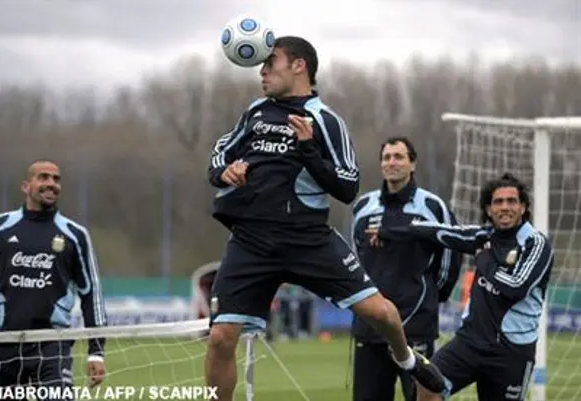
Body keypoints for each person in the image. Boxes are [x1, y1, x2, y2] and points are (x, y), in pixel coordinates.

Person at [205, 36, 447, 401]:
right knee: (221, 337)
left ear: (299, 65)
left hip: (307, 238)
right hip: (252, 241)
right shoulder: (255, 111)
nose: (263, 71)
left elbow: (348, 187)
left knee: (381, 314)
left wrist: (308, 149)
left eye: (271, 62)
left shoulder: (325, 119)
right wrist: (225, 171)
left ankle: (406, 356)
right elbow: (219, 152)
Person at [368, 172, 554, 401]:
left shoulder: (535, 243)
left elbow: (516, 287)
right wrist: (387, 232)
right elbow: (434, 231)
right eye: (498, 202)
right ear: (488, 209)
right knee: (427, 384)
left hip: (511, 352)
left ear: (524, 207)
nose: (505, 207)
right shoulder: (483, 237)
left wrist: (484, 262)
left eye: (512, 201)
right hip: (469, 343)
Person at [0, 160, 108, 400]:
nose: (51, 183)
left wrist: (96, 352)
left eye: (56, 179)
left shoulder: (75, 235)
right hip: (4, 341)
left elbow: (91, 293)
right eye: (43, 177)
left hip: (53, 343)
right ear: (26, 186)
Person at [350, 137, 462, 401]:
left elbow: (450, 256)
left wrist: (431, 297)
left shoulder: (433, 207)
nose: (392, 162)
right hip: (371, 326)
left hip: (415, 325)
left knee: (423, 398)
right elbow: (355, 262)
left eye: (399, 157)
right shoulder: (363, 207)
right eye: (387, 157)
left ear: (412, 164)